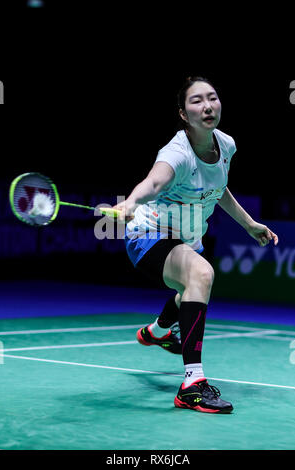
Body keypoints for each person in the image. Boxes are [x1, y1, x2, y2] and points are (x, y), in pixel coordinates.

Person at [112, 76, 279, 414]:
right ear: (184, 115)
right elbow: (154, 181)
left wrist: (249, 225)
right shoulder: (177, 153)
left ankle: (158, 331)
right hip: (149, 236)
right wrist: (130, 202)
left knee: (191, 288)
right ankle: (192, 384)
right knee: (201, 274)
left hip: (186, 236)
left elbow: (218, 188)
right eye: (196, 101)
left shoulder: (226, 145)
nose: (207, 106)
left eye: (212, 98)